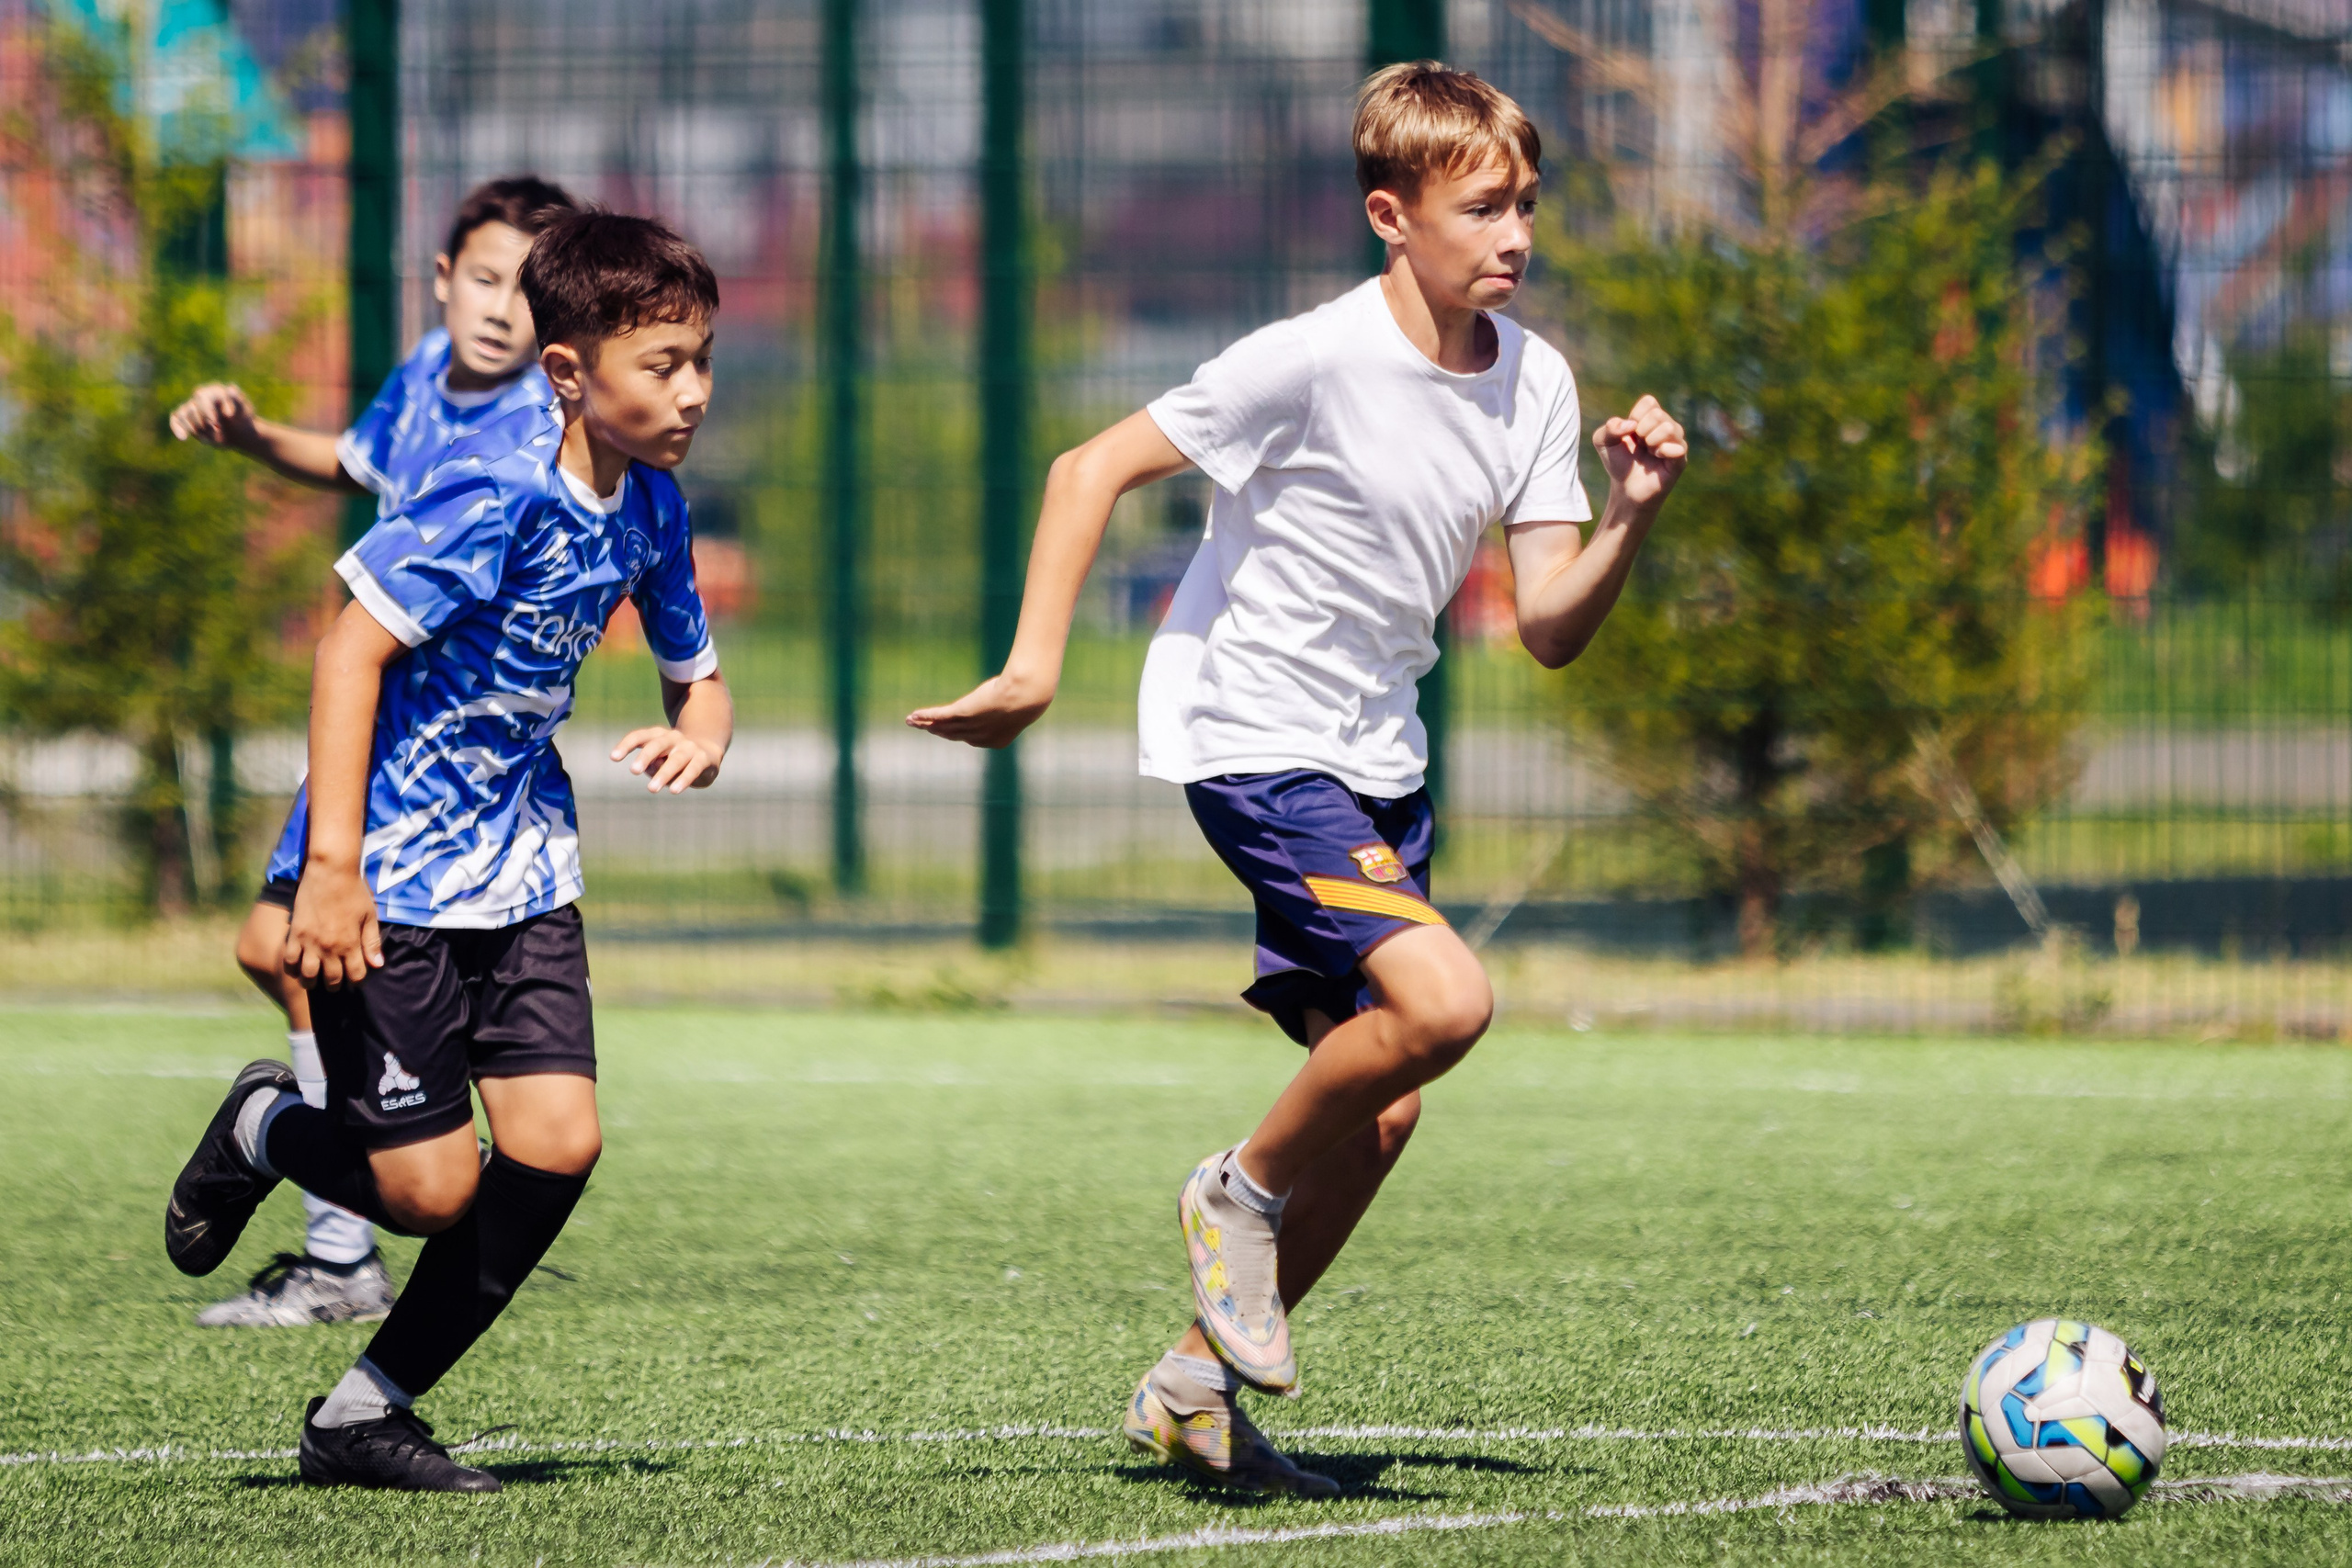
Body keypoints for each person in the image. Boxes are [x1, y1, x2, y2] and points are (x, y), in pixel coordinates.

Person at [909, 62, 1687, 1495]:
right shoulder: (1310, 358)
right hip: (1255, 738)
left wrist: (1632, 515)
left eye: (1526, 203)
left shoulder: (1538, 380)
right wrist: (1030, 669)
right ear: (1392, 216)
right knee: (1448, 1002)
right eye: (1482, 208)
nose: (1516, 234)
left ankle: (1193, 1389)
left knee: (1383, 1107)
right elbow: (1086, 469)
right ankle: (1236, 1188)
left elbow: (1551, 626)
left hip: (1378, 761)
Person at [162, 209, 732, 1493]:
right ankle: (265, 1126)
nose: (693, 390)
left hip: (526, 873)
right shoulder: (495, 486)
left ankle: (365, 1412)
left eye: (702, 359)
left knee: (557, 1145)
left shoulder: (653, 505)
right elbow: (346, 652)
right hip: (397, 877)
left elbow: (699, 675)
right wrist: (331, 868)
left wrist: (702, 732)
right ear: (570, 371)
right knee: (425, 1193)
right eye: (662, 365)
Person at [168, 175, 579, 1327]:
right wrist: (253, 436)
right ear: (443, 281)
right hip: (375, 719)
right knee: (277, 948)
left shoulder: (532, 428)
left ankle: (340, 1236)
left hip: (428, 752)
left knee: (299, 953)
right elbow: (357, 463)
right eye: (484, 279)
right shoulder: (425, 373)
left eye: (527, 291)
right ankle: (344, 1231)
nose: (501, 307)